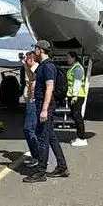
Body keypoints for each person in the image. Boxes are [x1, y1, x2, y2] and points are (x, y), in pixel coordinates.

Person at [23, 40, 69, 183]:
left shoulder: (48, 67)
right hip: (43, 106)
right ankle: (62, 167)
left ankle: (41, 172)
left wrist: (44, 109)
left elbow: (49, 88)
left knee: (43, 139)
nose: (34, 52)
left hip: (46, 107)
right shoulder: (43, 66)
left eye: (35, 49)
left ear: (40, 50)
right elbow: (33, 74)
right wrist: (27, 65)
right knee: (51, 138)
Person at [66, 55, 89, 147]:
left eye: (68, 58)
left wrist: (74, 95)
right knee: (75, 116)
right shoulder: (74, 67)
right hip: (74, 95)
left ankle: (82, 138)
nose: (67, 59)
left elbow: (77, 82)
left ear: (73, 58)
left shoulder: (78, 68)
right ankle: (79, 137)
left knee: (77, 116)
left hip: (78, 95)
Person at [21, 52, 39, 161]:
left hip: (33, 102)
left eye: (27, 59)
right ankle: (36, 156)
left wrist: (31, 98)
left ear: (31, 59)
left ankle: (37, 157)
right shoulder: (30, 67)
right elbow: (28, 73)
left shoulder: (36, 69)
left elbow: (33, 82)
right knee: (30, 130)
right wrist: (24, 63)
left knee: (29, 129)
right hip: (30, 102)